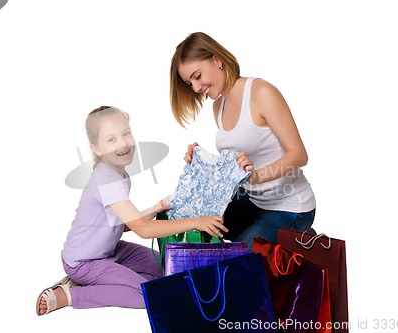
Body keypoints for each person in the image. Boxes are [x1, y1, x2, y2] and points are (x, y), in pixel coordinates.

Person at [36, 105, 227, 315]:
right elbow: (142, 229)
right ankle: (73, 293)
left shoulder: (120, 175)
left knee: (167, 269)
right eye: (111, 139)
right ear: (96, 148)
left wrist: (156, 208)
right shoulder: (106, 180)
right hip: (83, 262)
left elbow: (124, 224)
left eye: (126, 134)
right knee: (146, 295)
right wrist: (196, 222)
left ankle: (105, 282)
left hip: (111, 251)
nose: (123, 143)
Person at [169, 32, 316, 249]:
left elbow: (299, 155)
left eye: (197, 76)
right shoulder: (218, 107)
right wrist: (203, 162)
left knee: (236, 262)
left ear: (217, 59)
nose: (196, 88)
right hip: (253, 201)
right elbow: (236, 162)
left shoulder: (261, 93)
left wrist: (256, 177)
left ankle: (297, 235)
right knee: (195, 222)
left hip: (289, 206)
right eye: (189, 83)